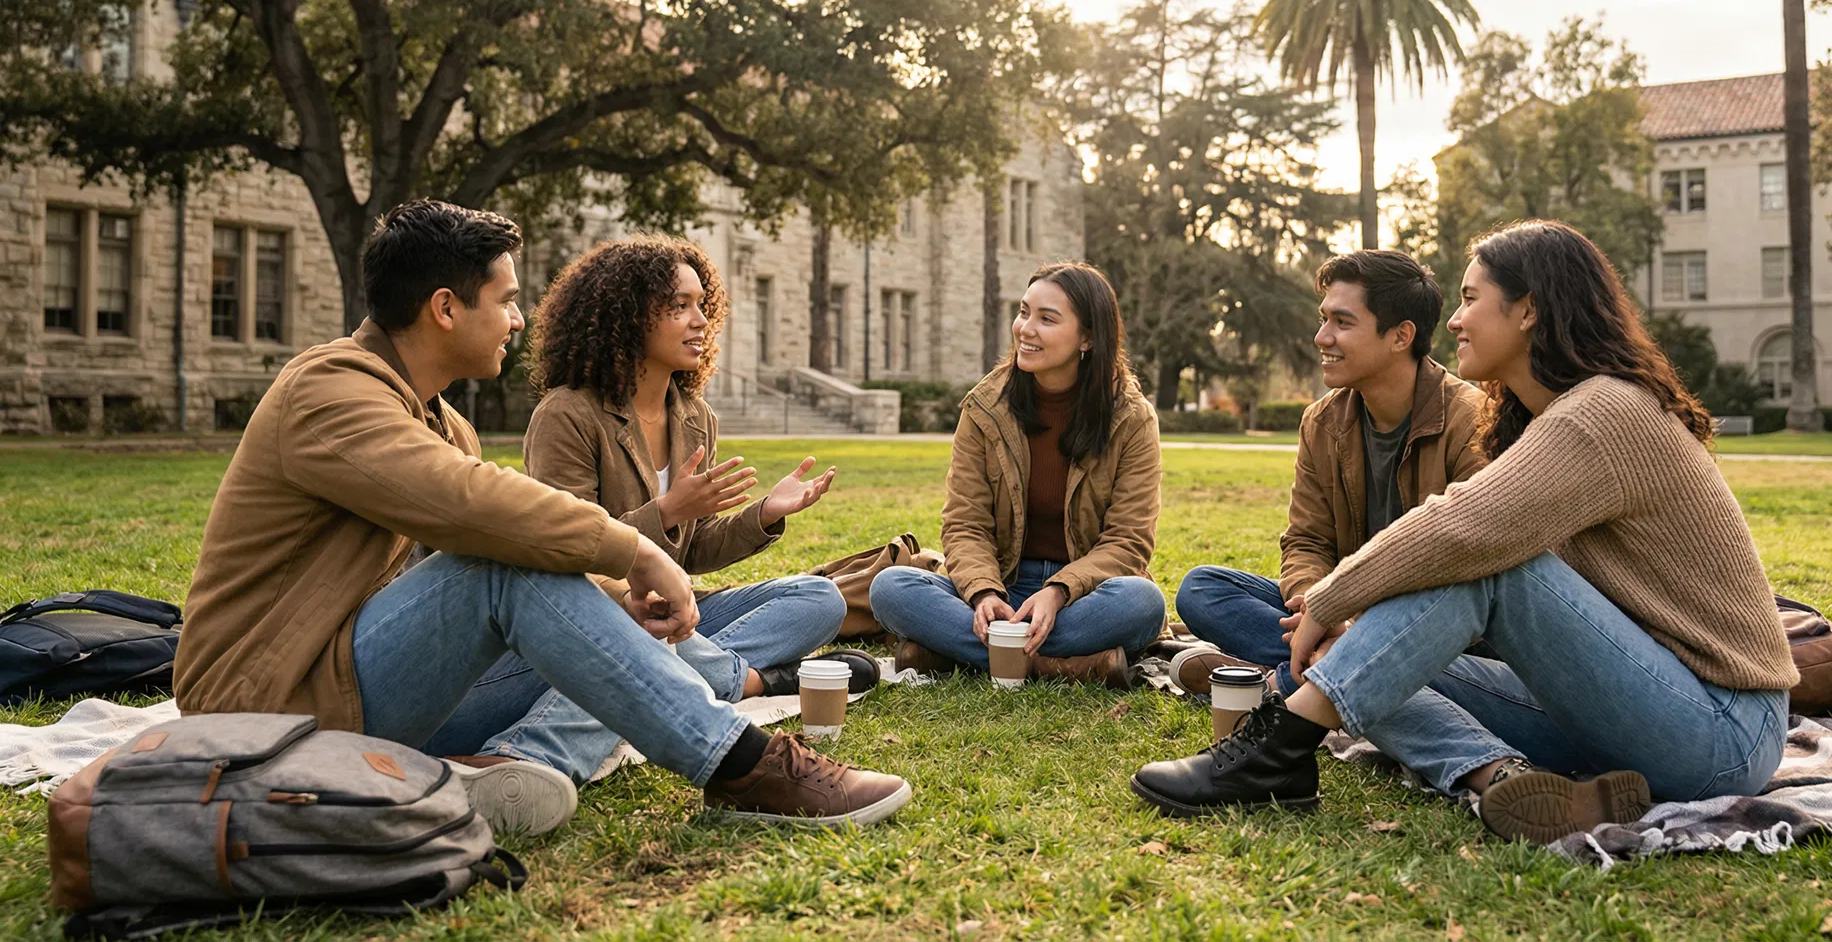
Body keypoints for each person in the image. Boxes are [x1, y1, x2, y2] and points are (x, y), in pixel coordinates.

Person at [174, 200, 910, 838]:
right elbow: (472, 501)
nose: (520, 320)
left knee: (611, 630)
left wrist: (620, 599)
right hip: (263, 708)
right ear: (445, 307)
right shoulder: (329, 389)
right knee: (503, 564)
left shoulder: (442, 421)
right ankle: (744, 766)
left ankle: (510, 766)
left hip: (363, 692)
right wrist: (638, 552)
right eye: (507, 300)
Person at [1131, 220, 1796, 845]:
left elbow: (1463, 530)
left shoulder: (1606, 411)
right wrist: (1340, 619)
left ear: (1528, 310)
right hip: (1624, 715)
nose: (1454, 319)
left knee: (1489, 566)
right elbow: (1324, 541)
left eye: (1472, 298)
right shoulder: (1543, 416)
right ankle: (1496, 772)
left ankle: (1280, 746)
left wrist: (1330, 600)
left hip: (1721, 731)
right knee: (1375, 663)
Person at [521, 236, 878, 703]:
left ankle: (674, 681)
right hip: (605, 617)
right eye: (679, 306)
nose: (701, 321)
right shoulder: (568, 414)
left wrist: (764, 514)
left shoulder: (695, 417)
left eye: (702, 304)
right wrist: (665, 511)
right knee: (638, 640)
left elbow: (694, 550)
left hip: (678, 617)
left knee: (820, 599)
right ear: (627, 317)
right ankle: (746, 682)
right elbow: (566, 554)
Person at [1171, 251, 1485, 697]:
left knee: (1450, 658)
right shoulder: (1322, 422)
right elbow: (1307, 541)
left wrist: (1352, 619)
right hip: (1337, 607)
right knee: (1203, 588)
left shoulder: (1470, 421)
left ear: (1400, 336)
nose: (1322, 337)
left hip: (1428, 628)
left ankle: (1281, 681)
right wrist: (1315, 602)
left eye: (1342, 322)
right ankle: (1326, 668)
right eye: (1323, 320)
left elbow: (1467, 570)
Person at [867, 262, 1166, 687]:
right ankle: (1058, 666)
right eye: (1024, 312)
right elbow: (965, 522)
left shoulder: (1131, 418)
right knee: (891, 588)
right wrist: (984, 592)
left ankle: (964, 654)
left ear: (1088, 337)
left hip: (1084, 596)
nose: (1026, 328)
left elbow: (1128, 542)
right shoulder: (985, 407)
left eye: (1047, 319)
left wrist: (1059, 591)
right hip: (1003, 583)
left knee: (1142, 603)